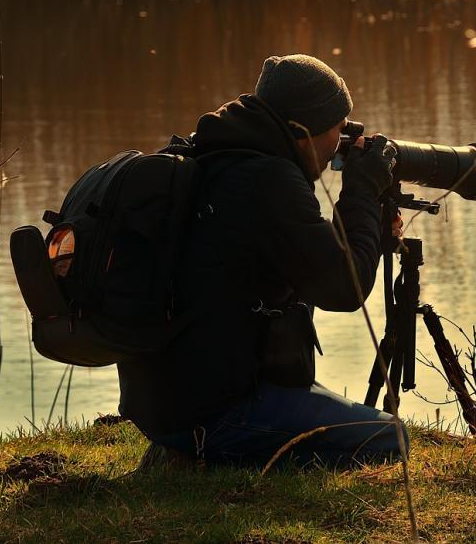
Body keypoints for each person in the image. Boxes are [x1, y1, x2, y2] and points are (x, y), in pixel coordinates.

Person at [117, 54, 408, 468]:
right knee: (389, 439)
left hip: (165, 406)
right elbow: (346, 287)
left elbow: (316, 261)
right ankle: (214, 460)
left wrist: (367, 222)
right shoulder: (267, 181)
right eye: (337, 131)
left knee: (332, 413)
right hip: (216, 412)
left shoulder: (215, 157)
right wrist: (362, 188)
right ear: (302, 130)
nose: (337, 148)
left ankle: (184, 448)